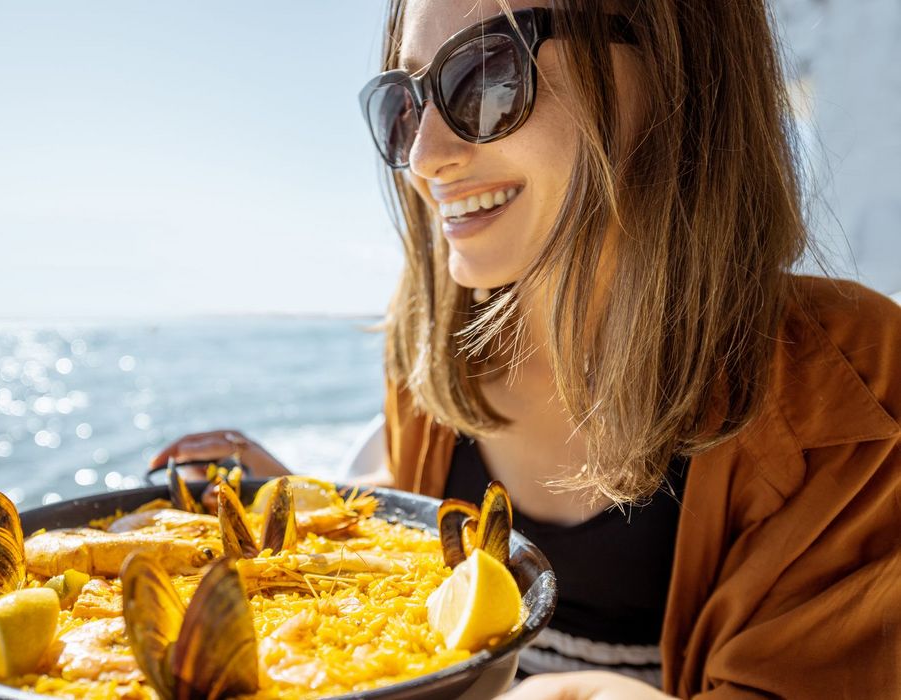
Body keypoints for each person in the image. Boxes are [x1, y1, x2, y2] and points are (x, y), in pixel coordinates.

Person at [150, 1, 901, 697]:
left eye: (484, 76)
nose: (423, 156)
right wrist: (320, 528)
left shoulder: (857, 385)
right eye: (401, 107)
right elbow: (427, 598)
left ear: (676, 63)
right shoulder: (431, 347)